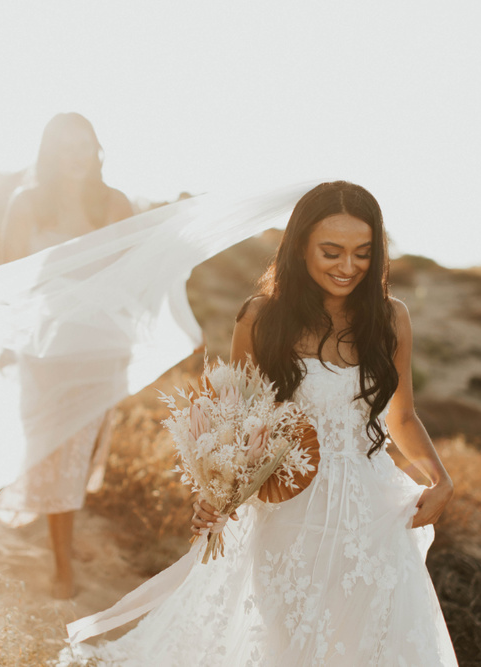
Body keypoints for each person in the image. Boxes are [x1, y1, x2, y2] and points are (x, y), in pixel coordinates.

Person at [60, 181, 457, 665]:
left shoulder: (392, 318)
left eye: (363, 253)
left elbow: (403, 415)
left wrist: (440, 478)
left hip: (370, 514)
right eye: (331, 252)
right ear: (300, 247)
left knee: (364, 644)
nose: (348, 266)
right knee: (284, 640)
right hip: (288, 507)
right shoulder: (260, 318)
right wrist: (216, 493)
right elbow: (235, 423)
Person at [0, 112, 134, 598]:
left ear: (96, 149)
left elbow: (133, 277)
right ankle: (61, 564)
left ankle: (62, 540)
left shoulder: (115, 204)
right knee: (59, 451)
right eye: (64, 147)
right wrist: (7, 342)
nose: (75, 156)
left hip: (101, 347)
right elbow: (9, 280)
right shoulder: (27, 204)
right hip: (46, 347)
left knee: (84, 453)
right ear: (49, 153)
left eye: (83, 145)